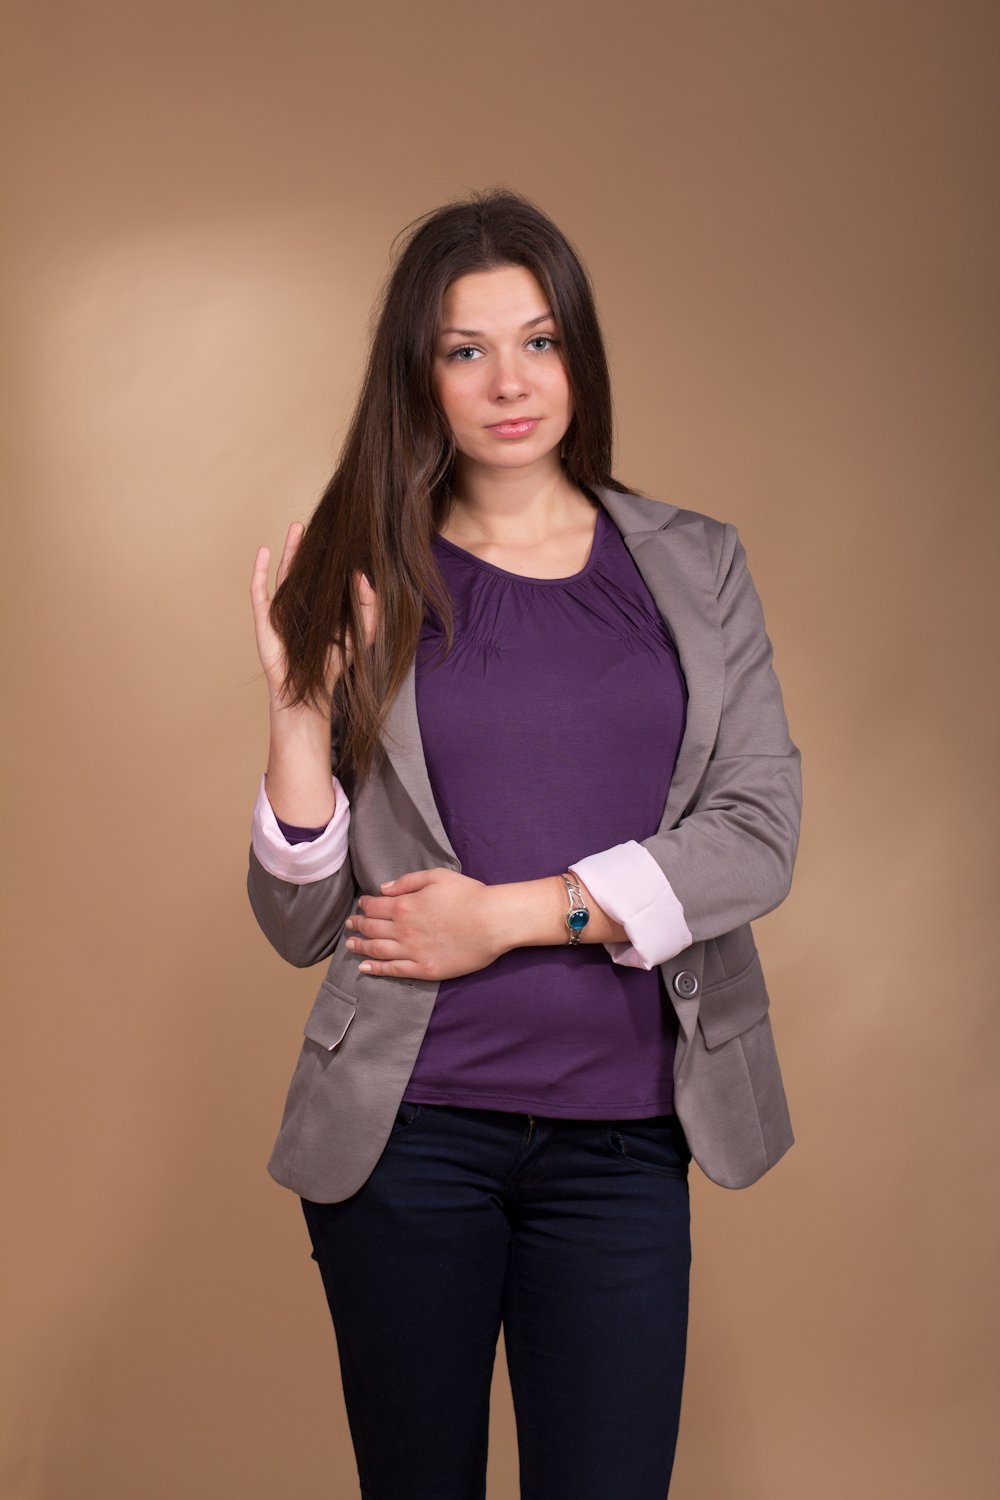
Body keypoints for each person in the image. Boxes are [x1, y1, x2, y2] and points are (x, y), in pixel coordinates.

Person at [247, 187, 802, 1500]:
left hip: (625, 1139)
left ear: (577, 356)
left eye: (539, 341)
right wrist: (298, 717)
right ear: (420, 375)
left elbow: (757, 835)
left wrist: (506, 916)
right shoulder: (365, 569)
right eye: (467, 349)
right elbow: (299, 926)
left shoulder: (697, 566)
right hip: (408, 1136)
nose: (510, 381)